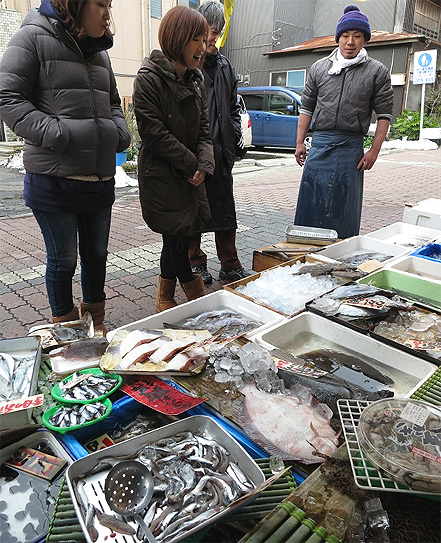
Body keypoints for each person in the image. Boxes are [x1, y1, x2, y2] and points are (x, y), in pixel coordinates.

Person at [0, 0, 131, 334]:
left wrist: (120, 131)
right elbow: (8, 96)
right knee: (64, 261)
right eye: (101, 4)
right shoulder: (32, 36)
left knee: (97, 256)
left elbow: (114, 102)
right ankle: (67, 330)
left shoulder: (99, 52)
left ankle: (96, 325)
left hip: (99, 179)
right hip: (54, 180)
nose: (107, 14)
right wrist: (55, 132)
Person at [133, 6, 215, 312]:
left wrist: (205, 164)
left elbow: (204, 132)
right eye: (195, 39)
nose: (202, 47)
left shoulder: (196, 80)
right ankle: (191, 297)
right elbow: (153, 133)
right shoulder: (148, 78)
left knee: (180, 235)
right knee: (176, 235)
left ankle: (165, 297)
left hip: (190, 173)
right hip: (162, 175)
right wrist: (192, 163)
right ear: (177, 38)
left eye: (204, 40)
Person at [294, 4, 393, 239]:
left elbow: (385, 114)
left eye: (357, 36)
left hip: (351, 149)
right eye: (346, 35)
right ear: (338, 38)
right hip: (319, 145)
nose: (351, 41)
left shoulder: (376, 71)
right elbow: (306, 107)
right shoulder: (319, 68)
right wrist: (299, 142)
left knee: (344, 207)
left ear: (364, 40)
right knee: (311, 203)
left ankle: (341, 255)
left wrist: (374, 151)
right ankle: (305, 250)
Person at [188, 0, 250, 285]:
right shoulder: (190, 64)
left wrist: (234, 135)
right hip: (197, 153)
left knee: (225, 210)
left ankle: (230, 263)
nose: (213, 39)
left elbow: (233, 106)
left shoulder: (225, 65)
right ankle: (195, 262)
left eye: (218, 32)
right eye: (210, 32)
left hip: (222, 151)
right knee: (196, 211)